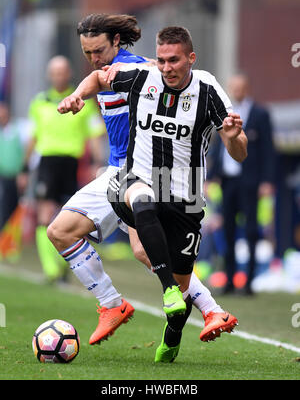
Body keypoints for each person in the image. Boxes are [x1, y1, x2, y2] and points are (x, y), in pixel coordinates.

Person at [57, 26, 246, 362]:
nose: (166, 67)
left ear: (191, 58)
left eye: (173, 60)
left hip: (185, 196)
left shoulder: (206, 88)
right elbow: (100, 78)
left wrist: (232, 137)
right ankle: (139, 297)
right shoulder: (143, 75)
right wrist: (77, 95)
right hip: (131, 177)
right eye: (161, 60)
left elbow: (240, 153)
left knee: (171, 277)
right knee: (131, 204)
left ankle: (181, 326)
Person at [26, 55, 104, 282]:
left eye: (63, 72)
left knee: (67, 218)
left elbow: (95, 135)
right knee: (45, 214)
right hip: (48, 162)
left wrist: (97, 163)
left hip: (72, 163)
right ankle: (52, 270)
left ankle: (63, 266)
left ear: (68, 74)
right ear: (50, 76)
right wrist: (24, 166)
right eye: (55, 72)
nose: (59, 76)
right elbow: (33, 136)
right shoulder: (39, 102)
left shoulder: (83, 101)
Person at [208, 73, 275, 295]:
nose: (236, 91)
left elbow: (267, 149)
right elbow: (219, 146)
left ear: (246, 88)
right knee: (227, 230)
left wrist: (266, 180)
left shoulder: (260, 114)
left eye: (240, 87)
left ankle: (249, 282)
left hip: (250, 181)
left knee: (251, 230)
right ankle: (228, 279)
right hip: (228, 181)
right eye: (233, 87)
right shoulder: (223, 113)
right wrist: (212, 176)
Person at [0, 102, 28, 230]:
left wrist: (24, 172)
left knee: (14, 209)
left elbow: (29, 152)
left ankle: (11, 242)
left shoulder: (20, 128)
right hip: (2, 176)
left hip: (15, 177)